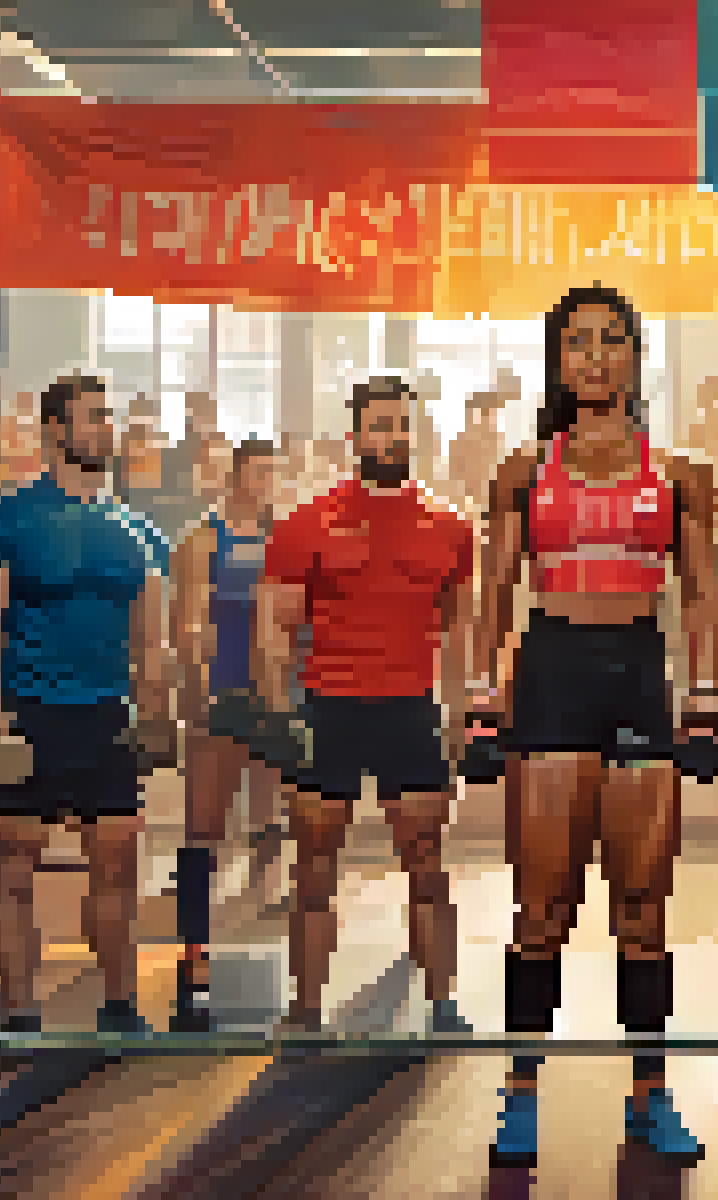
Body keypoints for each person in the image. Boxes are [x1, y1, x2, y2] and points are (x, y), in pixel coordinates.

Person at [475, 286, 718, 1167]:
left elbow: (702, 595)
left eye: (611, 341)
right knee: (541, 908)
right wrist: (481, 700)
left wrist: (707, 697)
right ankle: (520, 1094)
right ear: (558, 360)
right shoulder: (524, 471)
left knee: (643, 910)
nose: (594, 357)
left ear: (634, 357)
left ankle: (650, 1096)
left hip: (639, 682)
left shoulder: (680, 475)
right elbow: (494, 593)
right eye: (577, 343)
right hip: (552, 680)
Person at [0, 374, 173, 1035]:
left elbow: (152, 639)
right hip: (29, 714)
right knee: (15, 868)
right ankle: (20, 1011)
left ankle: (120, 1006)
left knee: (117, 867)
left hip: (107, 718)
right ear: (56, 429)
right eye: (93, 417)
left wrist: (154, 713)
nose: (106, 428)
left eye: (109, 417)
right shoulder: (6, 522)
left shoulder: (139, 530)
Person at [256, 379, 473, 1036]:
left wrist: (459, 713)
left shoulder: (450, 525)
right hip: (330, 710)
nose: (393, 437)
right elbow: (275, 630)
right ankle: (305, 1009)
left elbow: (459, 629)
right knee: (314, 869)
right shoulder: (306, 523)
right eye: (380, 426)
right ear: (355, 436)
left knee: (427, 865)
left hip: (411, 711)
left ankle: (443, 1006)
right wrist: (279, 717)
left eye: (402, 425)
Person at [170, 438, 283, 1033]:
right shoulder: (202, 541)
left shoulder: (284, 539)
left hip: (275, 699)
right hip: (223, 698)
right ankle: (194, 963)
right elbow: (188, 623)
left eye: (273, 474)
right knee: (203, 831)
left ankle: (282, 966)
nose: (267, 484)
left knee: (283, 825)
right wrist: (196, 685)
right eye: (259, 473)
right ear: (236, 477)